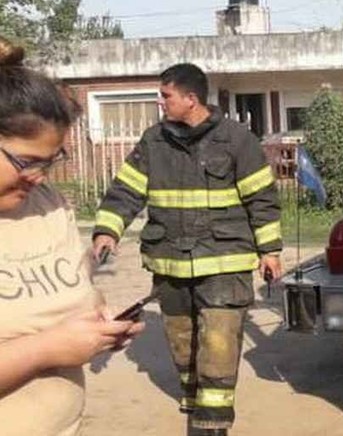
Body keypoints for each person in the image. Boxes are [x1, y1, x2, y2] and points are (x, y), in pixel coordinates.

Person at [91, 63, 283, 436]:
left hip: (224, 262)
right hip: (170, 263)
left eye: (166, 96)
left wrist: (270, 251)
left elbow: (262, 198)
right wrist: (107, 230)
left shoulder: (237, 140)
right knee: (182, 342)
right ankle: (195, 401)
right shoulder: (154, 141)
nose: (160, 102)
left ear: (190, 99)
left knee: (218, 341)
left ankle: (213, 423)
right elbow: (126, 190)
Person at [0, 37, 144, 436]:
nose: (38, 177)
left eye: (50, 162)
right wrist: (46, 350)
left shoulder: (46, 205)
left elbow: (75, 292)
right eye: (26, 162)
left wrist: (98, 325)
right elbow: (46, 340)